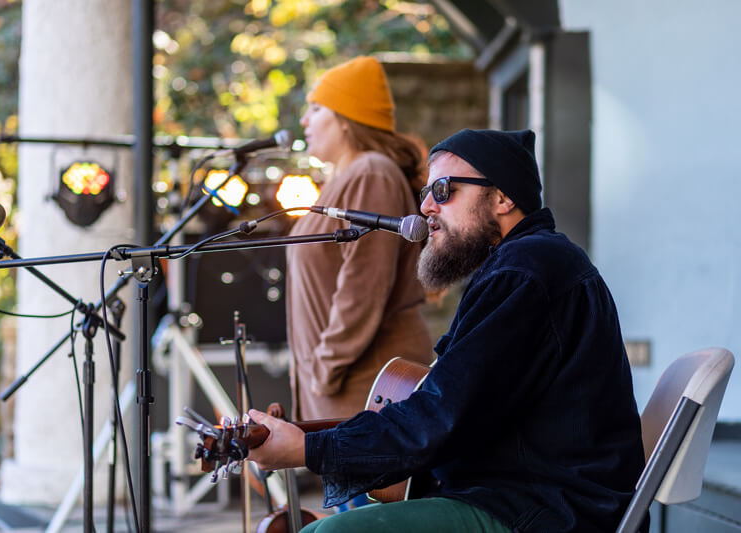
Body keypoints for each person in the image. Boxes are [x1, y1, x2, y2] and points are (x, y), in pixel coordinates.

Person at [248, 129, 647, 532]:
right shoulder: (526, 264)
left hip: (545, 511)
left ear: (502, 197)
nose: (424, 207)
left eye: (442, 190)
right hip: (525, 498)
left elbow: (443, 415)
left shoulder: (525, 270)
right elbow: (461, 406)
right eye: (425, 192)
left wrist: (308, 449)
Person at [286, 55, 433, 426]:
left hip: (367, 391)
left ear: (347, 120)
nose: (304, 121)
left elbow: (363, 287)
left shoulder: (371, 173)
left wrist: (325, 368)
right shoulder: (346, 178)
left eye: (316, 109)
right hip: (344, 391)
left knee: (360, 488)